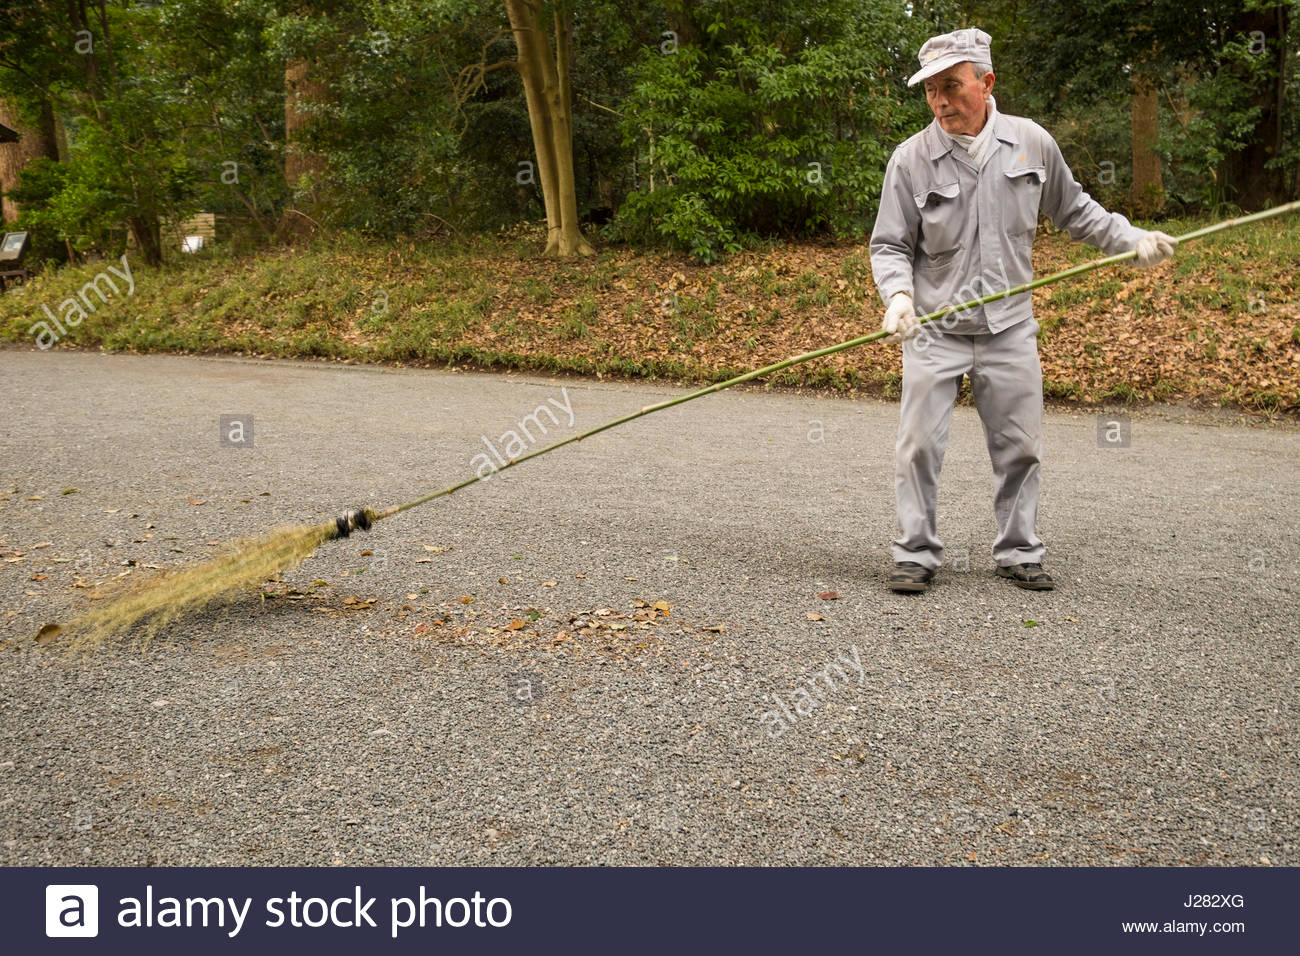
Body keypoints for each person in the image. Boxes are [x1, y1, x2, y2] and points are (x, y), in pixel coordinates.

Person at [869, 28, 1176, 593]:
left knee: (1022, 447)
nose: (940, 101)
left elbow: (1076, 210)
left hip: (1009, 326)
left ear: (986, 83)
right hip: (934, 329)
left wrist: (1131, 241)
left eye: (952, 87)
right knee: (917, 444)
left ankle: (1018, 550)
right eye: (931, 90)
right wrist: (899, 297)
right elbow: (889, 245)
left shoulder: (1032, 143)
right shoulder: (910, 159)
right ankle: (915, 553)